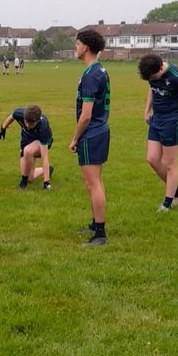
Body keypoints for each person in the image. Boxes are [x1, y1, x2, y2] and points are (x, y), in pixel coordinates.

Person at [137, 53, 178, 211]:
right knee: (152, 159)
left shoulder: (177, 77)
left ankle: (168, 203)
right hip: (157, 119)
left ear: (160, 68)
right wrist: (147, 111)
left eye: (153, 76)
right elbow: (152, 89)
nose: (151, 80)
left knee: (171, 163)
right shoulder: (151, 73)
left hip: (173, 121)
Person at [70, 29, 111, 245]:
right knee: (93, 182)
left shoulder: (91, 74)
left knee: (93, 183)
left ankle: (100, 234)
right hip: (99, 130)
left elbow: (86, 115)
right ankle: (96, 223)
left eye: (77, 44)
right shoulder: (98, 70)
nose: (75, 48)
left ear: (86, 46)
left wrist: (75, 137)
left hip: (92, 132)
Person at [0, 104, 54, 189]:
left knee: (28, 150)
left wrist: (46, 182)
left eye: (31, 124)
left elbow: (44, 157)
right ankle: (45, 170)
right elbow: (12, 116)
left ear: (37, 121)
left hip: (41, 142)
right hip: (27, 140)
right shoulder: (20, 113)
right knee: (30, 178)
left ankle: (23, 182)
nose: (28, 125)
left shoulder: (43, 127)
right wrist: (3, 128)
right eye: (26, 122)